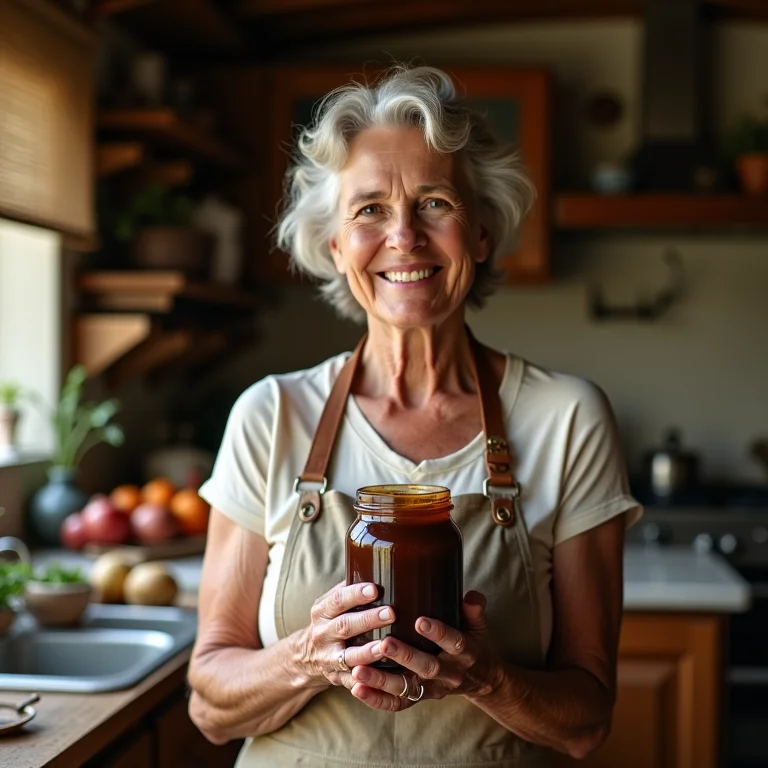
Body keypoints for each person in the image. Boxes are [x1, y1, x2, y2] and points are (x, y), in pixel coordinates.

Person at [188, 64, 642, 768]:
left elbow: (584, 724)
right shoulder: (271, 415)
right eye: (368, 209)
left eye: (434, 203)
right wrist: (308, 658)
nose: (404, 236)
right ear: (336, 247)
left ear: (482, 232)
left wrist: (488, 678)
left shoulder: (566, 420)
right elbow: (211, 705)